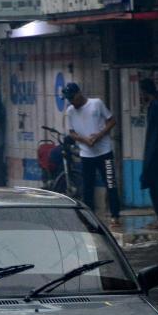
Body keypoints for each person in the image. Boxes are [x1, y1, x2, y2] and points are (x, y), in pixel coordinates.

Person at [63, 82, 121, 228]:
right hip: (86, 154)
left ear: (79, 94)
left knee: (110, 183)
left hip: (104, 152)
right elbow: (72, 132)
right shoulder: (70, 111)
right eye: (69, 99)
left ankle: (115, 215)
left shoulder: (96, 103)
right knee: (87, 188)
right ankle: (90, 218)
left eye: (72, 98)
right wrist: (84, 140)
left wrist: (99, 135)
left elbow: (112, 121)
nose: (71, 101)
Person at [138, 79, 158, 229]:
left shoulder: (157, 106)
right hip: (153, 151)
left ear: (144, 92)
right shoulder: (154, 106)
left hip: (157, 153)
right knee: (153, 185)